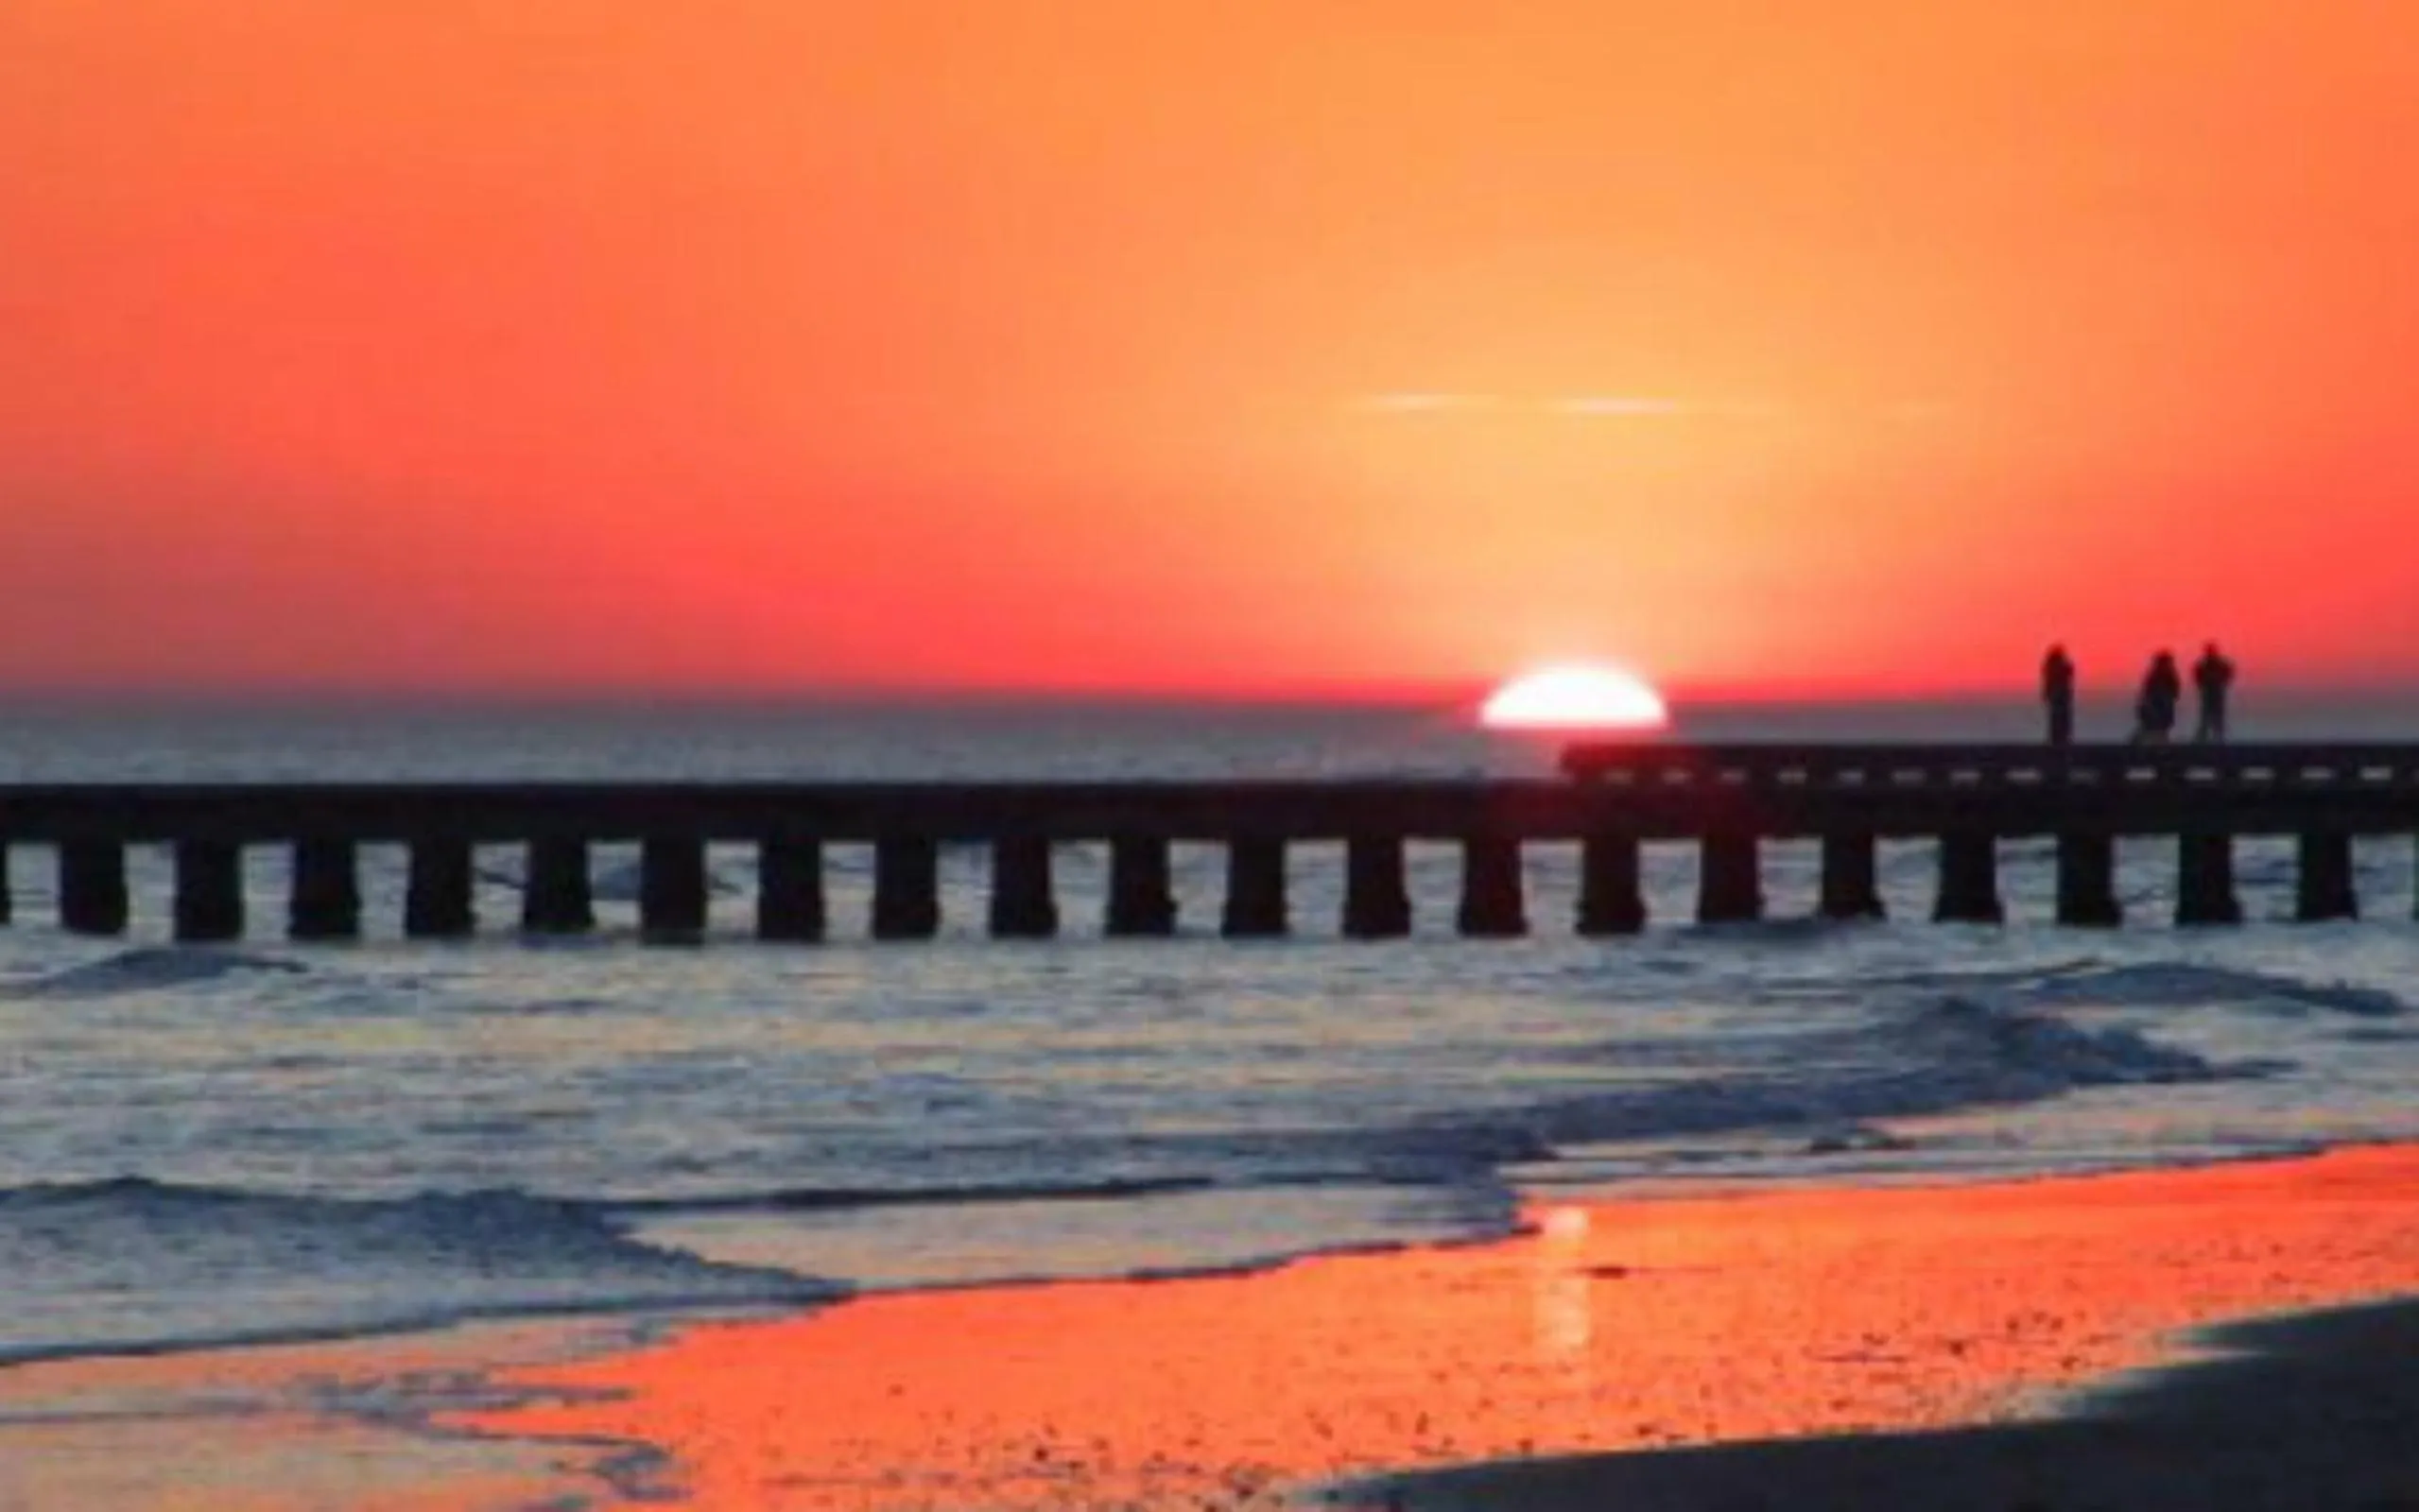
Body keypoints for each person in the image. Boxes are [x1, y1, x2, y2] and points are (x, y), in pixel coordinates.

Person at [2134, 651, 2182, 744]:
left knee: (2162, 724)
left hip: (2163, 701)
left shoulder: (2165, 673)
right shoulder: (2158, 674)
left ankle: (2160, 740)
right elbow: (2148, 689)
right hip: (2158, 702)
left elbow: (2175, 687)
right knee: (2157, 724)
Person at [2193, 642, 2237, 743]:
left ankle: (2216, 735)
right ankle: (2207, 735)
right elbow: (2198, 676)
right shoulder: (2205, 664)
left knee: (2215, 713)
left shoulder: (2218, 664)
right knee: (2208, 714)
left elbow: (2228, 674)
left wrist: (2222, 682)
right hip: (2209, 690)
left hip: (2215, 690)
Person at [2040, 644, 2077, 747]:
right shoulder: (2057, 665)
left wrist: (2046, 693)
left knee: (2057, 718)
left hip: (2058, 696)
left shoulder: (2052, 665)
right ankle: (2060, 739)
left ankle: (2058, 739)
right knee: (2060, 718)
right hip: (2060, 696)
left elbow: (2048, 681)